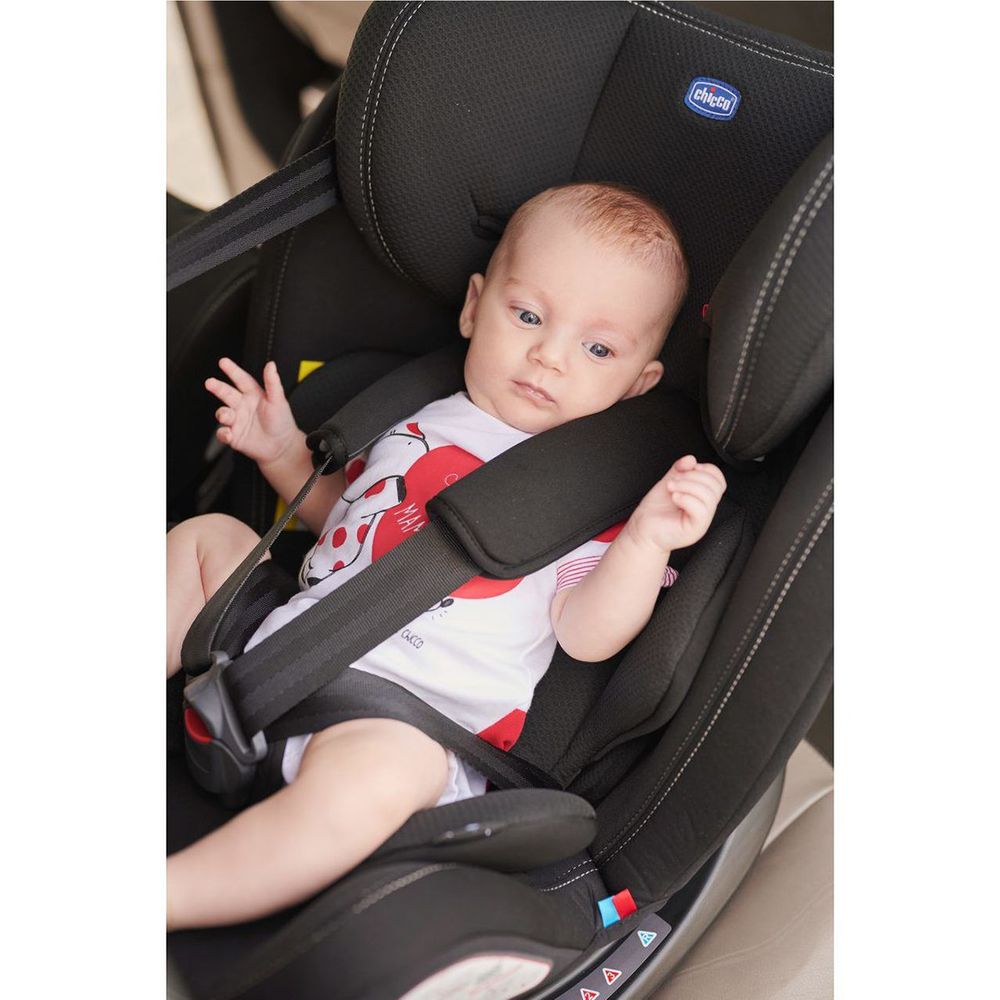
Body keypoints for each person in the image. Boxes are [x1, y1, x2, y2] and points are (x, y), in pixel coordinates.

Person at [166, 182, 726, 930]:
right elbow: (350, 523)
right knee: (209, 538)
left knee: (374, 783)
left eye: (597, 349)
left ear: (638, 383)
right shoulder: (417, 414)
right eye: (527, 316)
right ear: (474, 308)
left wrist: (648, 540)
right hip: (276, 649)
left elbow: (587, 633)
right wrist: (282, 454)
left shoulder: (596, 497)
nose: (548, 356)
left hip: (405, 720)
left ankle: (172, 896)